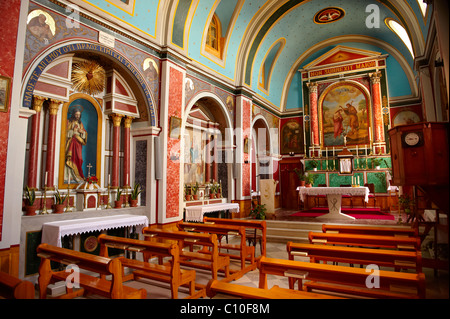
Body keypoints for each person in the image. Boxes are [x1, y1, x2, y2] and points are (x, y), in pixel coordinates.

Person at [65, 107, 87, 183]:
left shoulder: (80, 124)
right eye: (76, 114)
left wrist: (82, 132)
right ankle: (70, 175)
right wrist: (72, 131)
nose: (77, 116)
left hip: (78, 143)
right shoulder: (69, 122)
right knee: (71, 158)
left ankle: (78, 175)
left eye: (79, 115)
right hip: (71, 142)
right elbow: (65, 132)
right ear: (73, 114)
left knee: (79, 159)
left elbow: (84, 134)